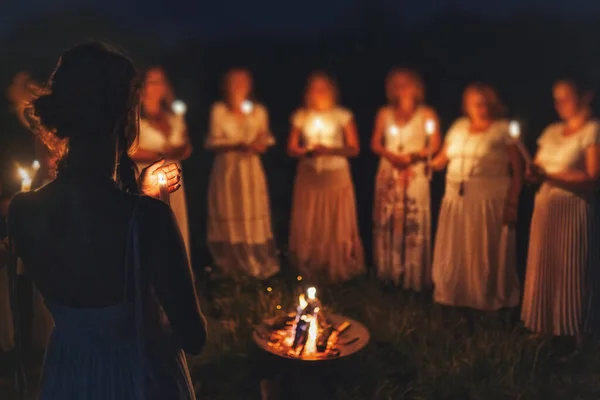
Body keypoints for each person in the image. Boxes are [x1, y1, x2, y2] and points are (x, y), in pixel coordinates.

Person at [7, 42, 206, 399]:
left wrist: (136, 198)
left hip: (67, 375)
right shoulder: (147, 218)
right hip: (139, 378)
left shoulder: (22, 210)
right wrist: (145, 209)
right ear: (125, 114)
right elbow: (193, 337)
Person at [521, 78, 600, 349]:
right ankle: (546, 327)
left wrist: (549, 175)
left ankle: (579, 338)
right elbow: (537, 170)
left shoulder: (592, 131)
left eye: (566, 97)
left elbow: (591, 176)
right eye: (556, 98)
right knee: (545, 266)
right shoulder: (552, 131)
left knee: (573, 271)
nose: (559, 104)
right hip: (545, 209)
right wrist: (531, 174)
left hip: (573, 210)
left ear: (584, 97)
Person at [430, 83, 522, 311]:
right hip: (456, 199)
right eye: (474, 103)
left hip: (487, 201)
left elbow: (518, 170)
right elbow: (441, 159)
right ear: (466, 106)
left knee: (483, 249)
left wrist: (513, 203)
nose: (480, 107)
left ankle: (485, 297)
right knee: (457, 248)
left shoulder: (501, 130)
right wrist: (426, 161)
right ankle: (454, 295)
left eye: (484, 103)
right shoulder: (459, 127)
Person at [287, 72, 364, 282]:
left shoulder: (342, 116)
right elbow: (292, 148)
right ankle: (310, 264)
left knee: (334, 218)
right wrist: (307, 151)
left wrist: (329, 150)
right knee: (310, 217)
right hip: (309, 175)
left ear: (332, 92)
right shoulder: (301, 116)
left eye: (324, 88)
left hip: (335, 174)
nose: (319, 93)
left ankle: (337, 264)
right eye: (315, 88)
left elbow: (354, 148)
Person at [205, 68, 279, 279]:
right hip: (228, 169)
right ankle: (230, 264)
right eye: (234, 82)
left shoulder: (258, 111)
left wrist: (258, 144)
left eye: (243, 82)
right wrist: (238, 145)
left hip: (250, 169)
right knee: (229, 209)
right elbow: (214, 140)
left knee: (250, 208)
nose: (238, 86)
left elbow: (265, 137)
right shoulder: (219, 110)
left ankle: (253, 262)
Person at [371, 68, 441, 291]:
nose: (401, 88)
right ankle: (389, 274)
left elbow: (434, 144)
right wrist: (391, 155)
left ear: (416, 86)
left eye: (406, 83)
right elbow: (375, 142)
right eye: (396, 84)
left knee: (412, 221)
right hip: (389, 171)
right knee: (388, 219)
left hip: (414, 172)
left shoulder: (427, 114)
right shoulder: (384, 113)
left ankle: (412, 278)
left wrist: (413, 156)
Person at [131, 67, 193, 263]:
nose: (157, 87)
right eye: (151, 81)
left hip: (173, 179)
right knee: (151, 228)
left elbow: (184, 143)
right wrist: (161, 154)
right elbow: (128, 150)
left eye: (160, 81)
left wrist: (183, 150)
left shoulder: (173, 116)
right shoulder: (134, 117)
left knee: (175, 225)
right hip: (146, 178)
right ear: (141, 86)